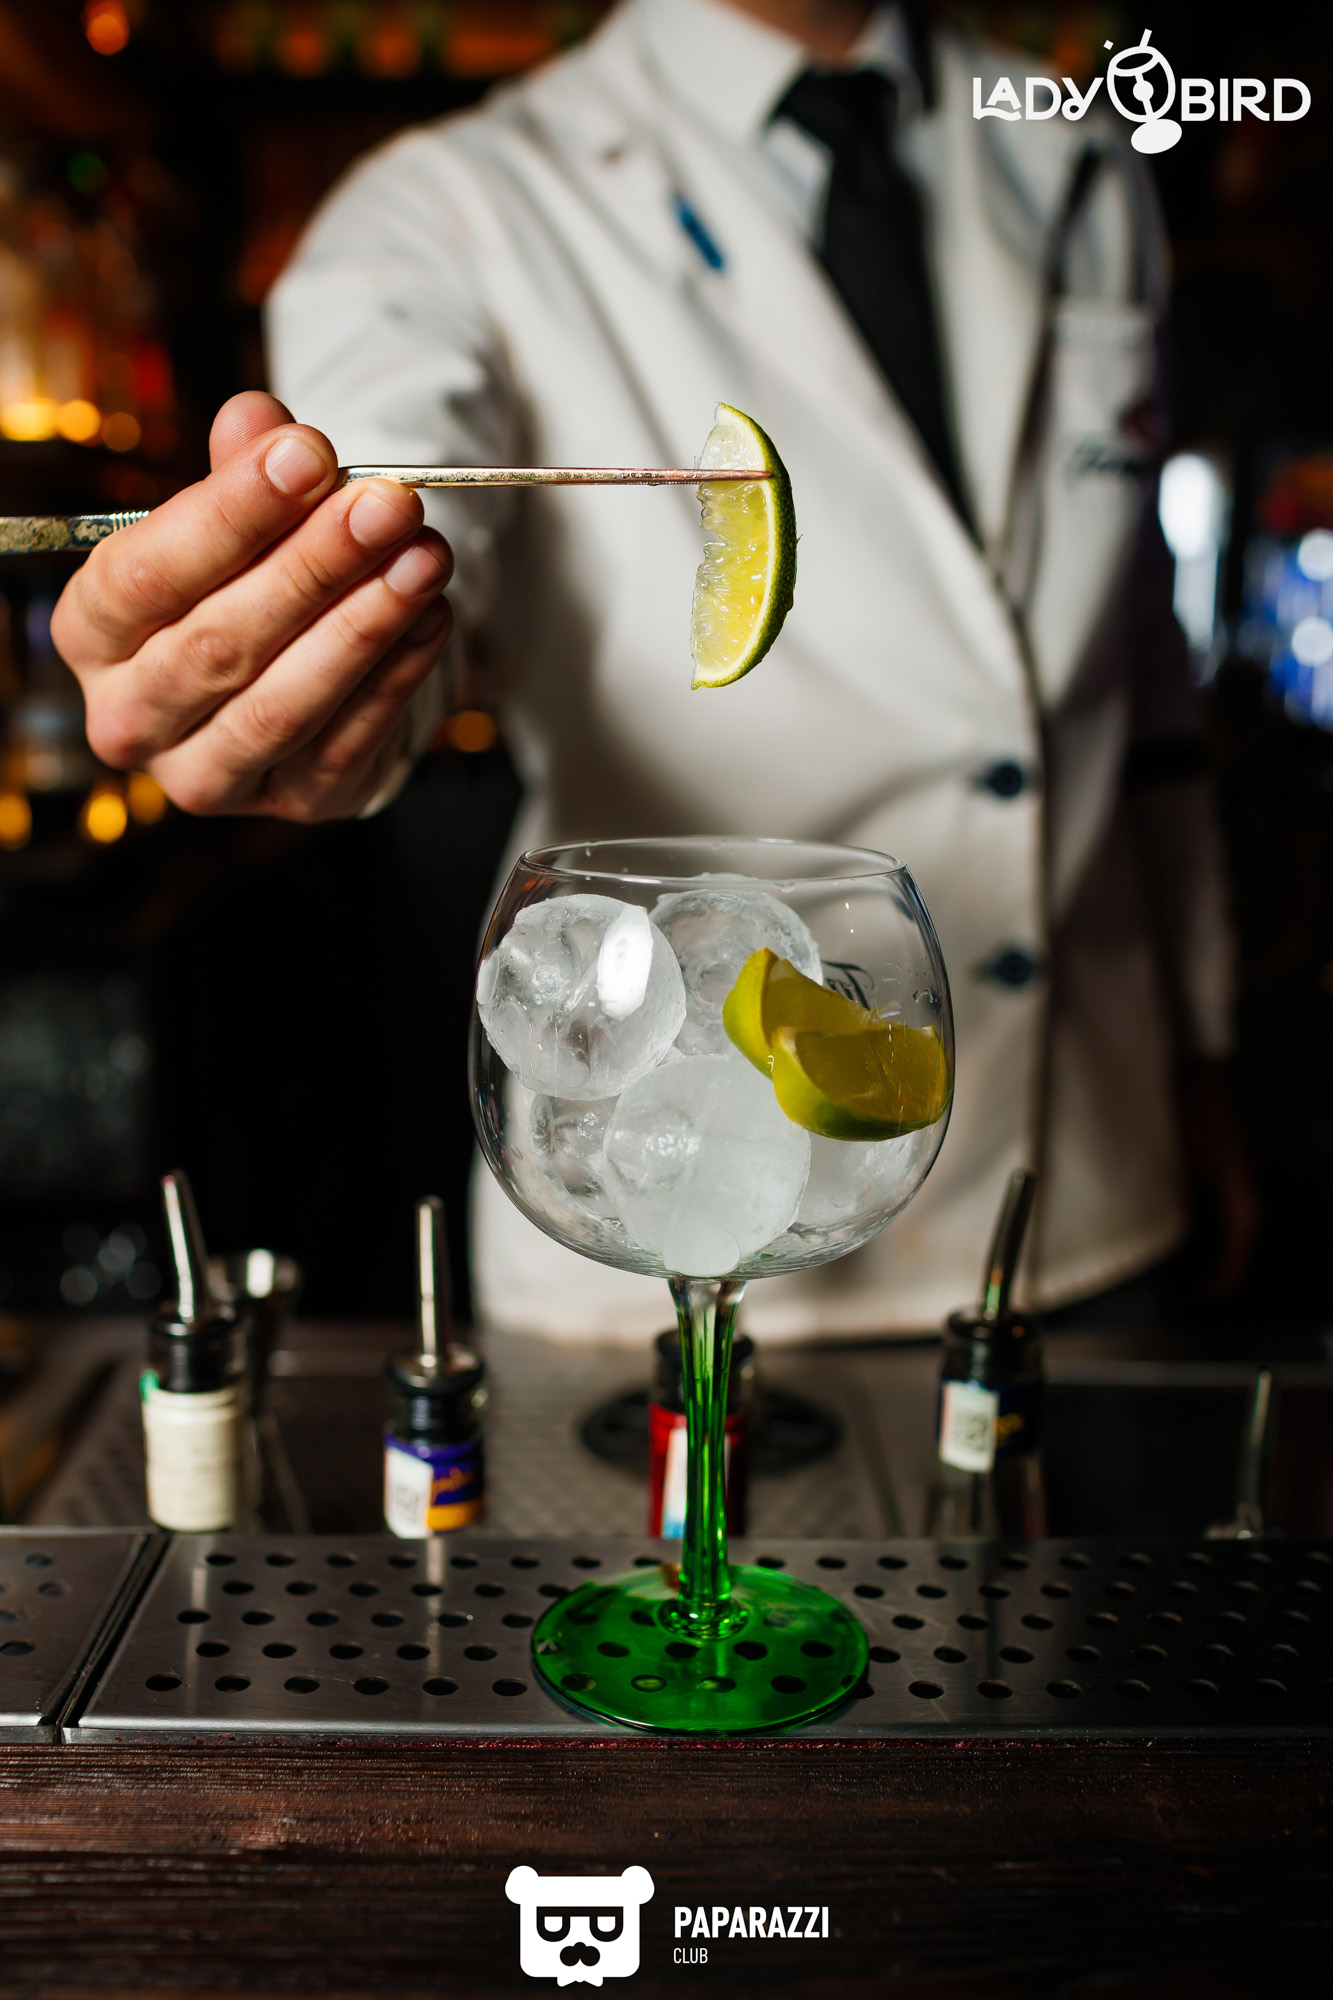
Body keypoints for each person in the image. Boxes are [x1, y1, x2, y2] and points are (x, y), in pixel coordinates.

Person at [51, 0, 1255, 1340]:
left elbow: (1144, 672)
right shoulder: (446, 208)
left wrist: (1202, 1054)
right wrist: (307, 663)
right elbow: (404, 525)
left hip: (1093, 1179)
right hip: (666, 1207)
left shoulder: (1079, 150)